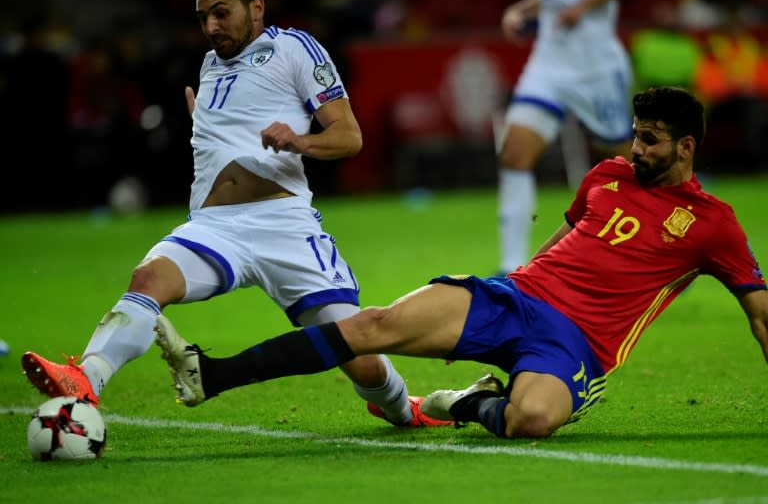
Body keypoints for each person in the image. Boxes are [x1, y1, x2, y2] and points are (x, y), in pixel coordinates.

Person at [155, 86, 767, 438]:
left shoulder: (714, 224)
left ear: (686, 147)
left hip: (577, 345)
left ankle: (465, 402)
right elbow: (565, 235)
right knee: (372, 326)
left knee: (531, 419)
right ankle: (213, 375)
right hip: (516, 299)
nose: (636, 148)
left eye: (651, 140)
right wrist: (519, 283)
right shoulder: (607, 174)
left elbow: (760, 315)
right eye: (635, 134)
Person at [20, 0, 450, 428]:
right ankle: (85, 379)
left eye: (222, 13)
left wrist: (301, 141)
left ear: (256, 8)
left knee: (361, 355)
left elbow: (349, 136)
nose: (211, 27)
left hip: (285, 227)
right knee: (149, 279)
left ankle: (401, 407)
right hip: (217, 227)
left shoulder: (295, 49)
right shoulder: (210, 66)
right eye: (204, 18)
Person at [496, 0, 635, 273]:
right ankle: (511, 266)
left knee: (630, 163)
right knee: (513, 153)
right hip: (548, 65)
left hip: (597, 70)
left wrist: (582, 6)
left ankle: (667, 247)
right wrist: (521, 10)